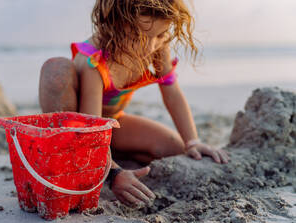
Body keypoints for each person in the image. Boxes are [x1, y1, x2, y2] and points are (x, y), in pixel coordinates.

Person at [39, 0, 230, 208]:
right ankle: (79, 161)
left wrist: (193, 141)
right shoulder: (96, 59)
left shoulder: (157, 45)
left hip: (113, 122)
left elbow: (172, 93)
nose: (149, 46)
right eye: (138, 36)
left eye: (159, 35)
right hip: (79, 131)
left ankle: (110, 156)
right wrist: (115, 174)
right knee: (57, 71)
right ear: (116, 26)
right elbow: (91, 131)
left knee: (175, 149)